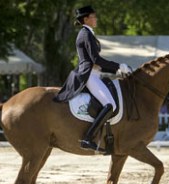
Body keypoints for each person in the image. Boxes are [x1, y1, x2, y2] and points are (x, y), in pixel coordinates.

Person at [54, 5, 132, 152]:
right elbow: (96, 59)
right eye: (93, 16)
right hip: (88, 75)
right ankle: (88, 137)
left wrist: (116, 70)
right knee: (110, 105)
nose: (96, 19)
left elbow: (98, 62)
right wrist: (118, 66)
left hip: (95, 74)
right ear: (86, 19)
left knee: (110, 103)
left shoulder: (89, 33)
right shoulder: (85, 34)